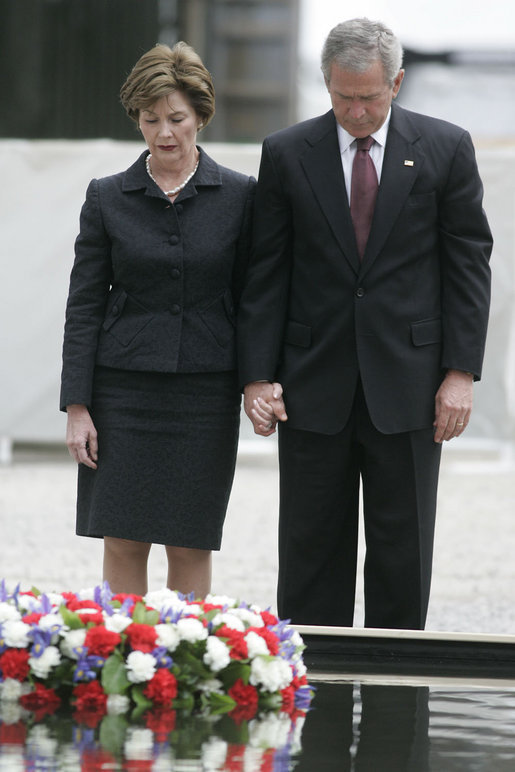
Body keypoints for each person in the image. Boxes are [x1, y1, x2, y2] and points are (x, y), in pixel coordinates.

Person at [237, 18, 492, 629]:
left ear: (397, 83)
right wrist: (256, 377)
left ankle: (397, 713)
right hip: (310, 387)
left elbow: (468, 266)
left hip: (410, 387)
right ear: (326, 82)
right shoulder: (286, 153)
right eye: (343, 96)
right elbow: (266, 273)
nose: (355, 111)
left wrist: (460, 372)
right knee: (309, 558)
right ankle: (313, 700)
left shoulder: (446, 148)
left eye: (369, 98)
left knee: (403, 559)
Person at [61, 42, 255, 598]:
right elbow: (84, 305)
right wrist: (78, 405)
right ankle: (124, 666)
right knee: (122, 538)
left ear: (200, 116)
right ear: (137, 120)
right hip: (121, 391)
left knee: (190, 540)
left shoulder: (241, 196)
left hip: (205, 390)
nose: (164, 132)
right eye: (151, 120)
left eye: (176, 119)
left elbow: (253, 298)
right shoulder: (106, 197)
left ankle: (189, 673)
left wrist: (256, 381)